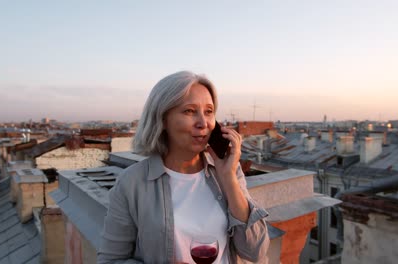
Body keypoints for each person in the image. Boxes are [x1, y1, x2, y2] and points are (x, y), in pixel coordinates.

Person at [97, 71, 269, 264]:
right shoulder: (132, 183)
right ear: (162, 119)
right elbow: (110, 260)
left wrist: (228, 178)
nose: (203, 123)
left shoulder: (229, 172)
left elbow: (256, 251)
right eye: (189, 111)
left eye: (209, 111)